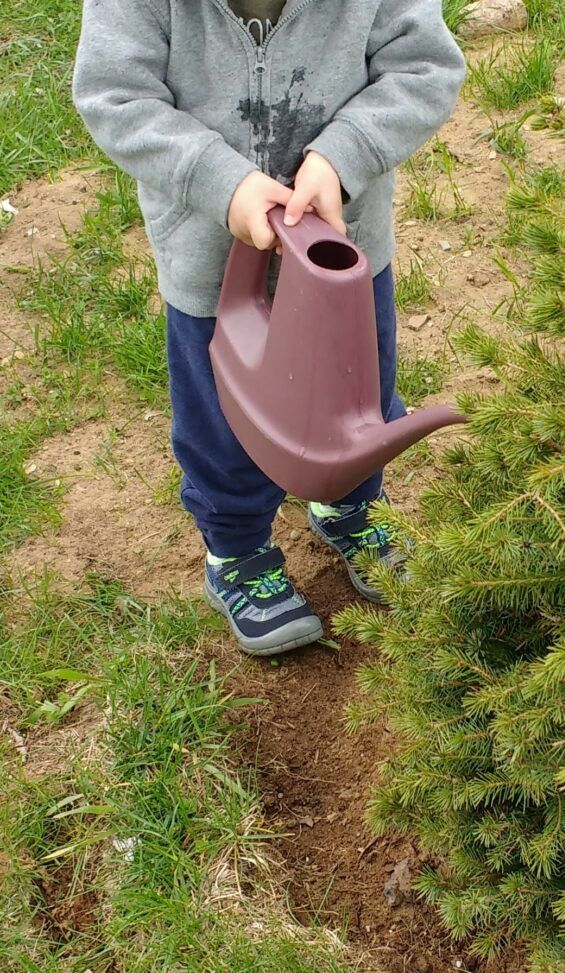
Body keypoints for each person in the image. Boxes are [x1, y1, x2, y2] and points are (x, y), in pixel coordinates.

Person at [72, 0, 466, 655]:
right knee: (224, 421)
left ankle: (350, 508)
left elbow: (423, 68)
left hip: (345, 257)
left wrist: (341, 157)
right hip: (213, 265)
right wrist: (221, 183)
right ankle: (237, 553)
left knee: (359, 402)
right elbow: (115, 94)